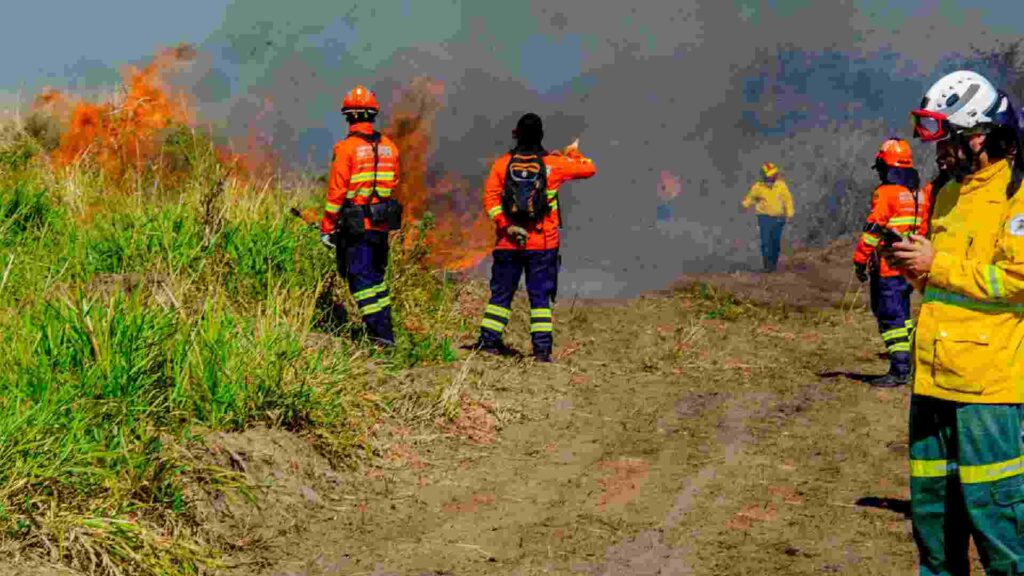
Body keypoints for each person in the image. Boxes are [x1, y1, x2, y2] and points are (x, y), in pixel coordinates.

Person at [889, 69, 1024, 575]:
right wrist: (917, 270)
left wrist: (936, 265)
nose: (940, 152)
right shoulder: (948, 192)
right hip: (934, 381)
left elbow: (1019, 278)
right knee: (934, 524)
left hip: (987, 390)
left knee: (999, 525)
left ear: (982, 135)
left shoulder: (1017, 192)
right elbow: (950, 284)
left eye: (950, 140)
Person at [470, 113, 596, 363]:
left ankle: (489, 343)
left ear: (516, 134)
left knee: (501, 295)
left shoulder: (502, 164)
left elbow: (490, 200)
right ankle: (541, 352)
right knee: (539, 299)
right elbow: (589, 169)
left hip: (508, 242)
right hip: (543, 244)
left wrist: (506, 226)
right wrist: (572, 154)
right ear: (541, 136)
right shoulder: (553, 164)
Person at [319, 85, 402, 348]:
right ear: (373, 114)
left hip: (357, 227)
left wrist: (327, 228)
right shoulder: (390, 147)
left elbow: (336, 194)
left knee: (360, 280)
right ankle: (386, 332)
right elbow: (394, 181)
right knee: (377, 280)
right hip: (381, 225)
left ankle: (380, 338)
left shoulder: (346, 149)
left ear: (348, 117)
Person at [852, 138, 929, 387]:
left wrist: (860, 259)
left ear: (886, 166)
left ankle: (900, 370)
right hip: (910, 267)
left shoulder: (886, 193)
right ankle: (909, 363)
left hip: (888, 267)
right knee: (903, 315)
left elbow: (873, 230)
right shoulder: (919, 193)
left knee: (889, 317)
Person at [742, 162, 794, 272]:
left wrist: (789, 213)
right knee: (766, 242)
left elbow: (787, 200)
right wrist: (745, 205)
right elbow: (750, 198)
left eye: (773, 175)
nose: (772, 177)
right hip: (764, 218)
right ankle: (767, 267)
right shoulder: (758, 187)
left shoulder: (781, 186)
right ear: (764, 176)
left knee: (775, 242)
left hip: (779, 218)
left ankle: (773, 266)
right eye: (770, 175)